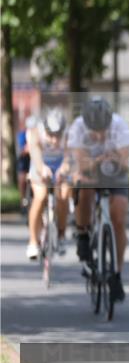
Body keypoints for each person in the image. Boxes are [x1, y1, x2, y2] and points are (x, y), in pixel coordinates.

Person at [68, 96, 129, 303]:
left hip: (115, 172)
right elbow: (81, 163)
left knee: (119, 217)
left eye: (102, 129)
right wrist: (98, 159)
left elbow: (125, 162)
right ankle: (83, 233)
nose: (98, 134)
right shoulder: (77, 128)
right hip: (90, 170)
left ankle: (117, 273)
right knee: (83, 185)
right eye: (93, 130)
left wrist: (113, 159)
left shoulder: (119, 126)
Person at [25, 109, 70, 259]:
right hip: (41, 164)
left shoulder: (69, 135)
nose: (55, 141)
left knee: (64, 196)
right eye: (51, 136)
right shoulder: (35, 132)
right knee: (41, 195)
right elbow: (35, 156)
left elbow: (69, 158)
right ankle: (33, 241)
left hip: (59, 165)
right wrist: (42, 169)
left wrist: (63, 169)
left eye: (58, 136)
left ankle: (62, 235)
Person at [16, 120, 33, 216]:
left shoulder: (38, 135)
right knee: (22, 180)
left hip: (34, 161)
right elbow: (23, 150)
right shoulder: (22, 135)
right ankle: (22, 202)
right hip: (24, 162)